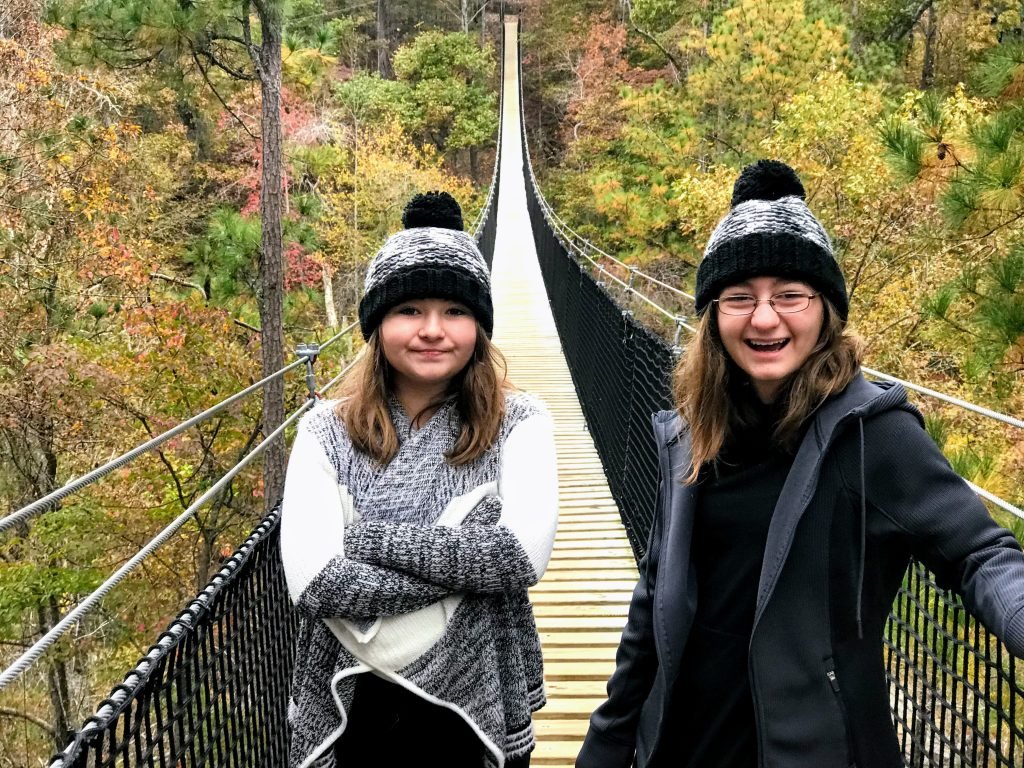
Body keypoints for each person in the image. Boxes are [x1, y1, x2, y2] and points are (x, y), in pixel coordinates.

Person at [576, 160, 1024, 768]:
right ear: (713, 317)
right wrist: (607, 740)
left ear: (825, 311)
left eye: (790, 295)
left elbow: (979, 554)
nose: (765, 318)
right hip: (682, 744)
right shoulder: (688, 434)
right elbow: (656, 594)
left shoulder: (874, 434)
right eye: (740, 298)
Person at [281, 191, 558, 768]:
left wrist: (365, 539)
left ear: (479, 327)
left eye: (455, 311)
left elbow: (516, 560)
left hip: (475, 694)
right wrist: (466, 562)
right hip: (356, 706)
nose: (433, 330)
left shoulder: (522, 421)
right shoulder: (323, 430)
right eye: (409, 310)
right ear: (377, 323)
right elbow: (314, 584)